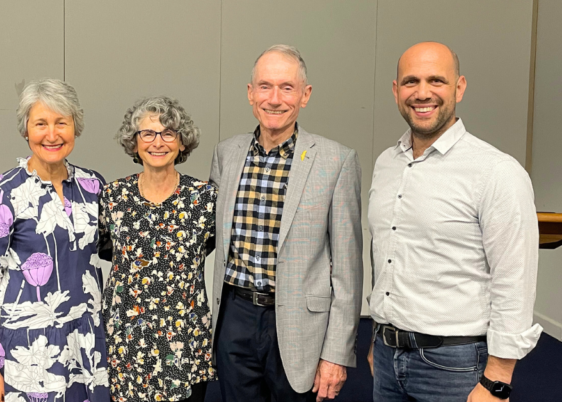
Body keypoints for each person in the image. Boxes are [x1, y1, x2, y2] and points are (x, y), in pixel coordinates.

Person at [367, 42, 542, 402]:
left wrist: (498, 379)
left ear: (459, 88)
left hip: (455, 365)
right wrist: (378, 339)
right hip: (387, 356)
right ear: (396, 90)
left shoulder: (496, 172)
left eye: (436, 81)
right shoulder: (387, 163)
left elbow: (515, 280)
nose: (422, 93)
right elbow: (386, 260)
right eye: (411, 81)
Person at [209, 44, 363, 402]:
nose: (275, 99)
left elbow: (348, 271)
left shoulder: (336, 161)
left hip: (300, 326)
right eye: (265, 86)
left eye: (287, 88)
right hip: (235, 317)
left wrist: (336, 354)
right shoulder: (226, 154)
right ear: (251, 93)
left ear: (305, 95)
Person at [0, 78, 109, 402]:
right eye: (41, 123)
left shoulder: (94, 187)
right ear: (25, 130)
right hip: (26, 351)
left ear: (76, 127)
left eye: (62, 123)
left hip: (86, 346)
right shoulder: (0, 195)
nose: (52, 134)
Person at [99, 96, 216, 402]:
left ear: (182, 142)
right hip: (127, 343)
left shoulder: (204, 198)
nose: (158, 142)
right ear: (134, 142)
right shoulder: (113, 196)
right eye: (148, 133)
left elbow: (209, 247)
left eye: (168, 133)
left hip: (184, 342)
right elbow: (106, 249)